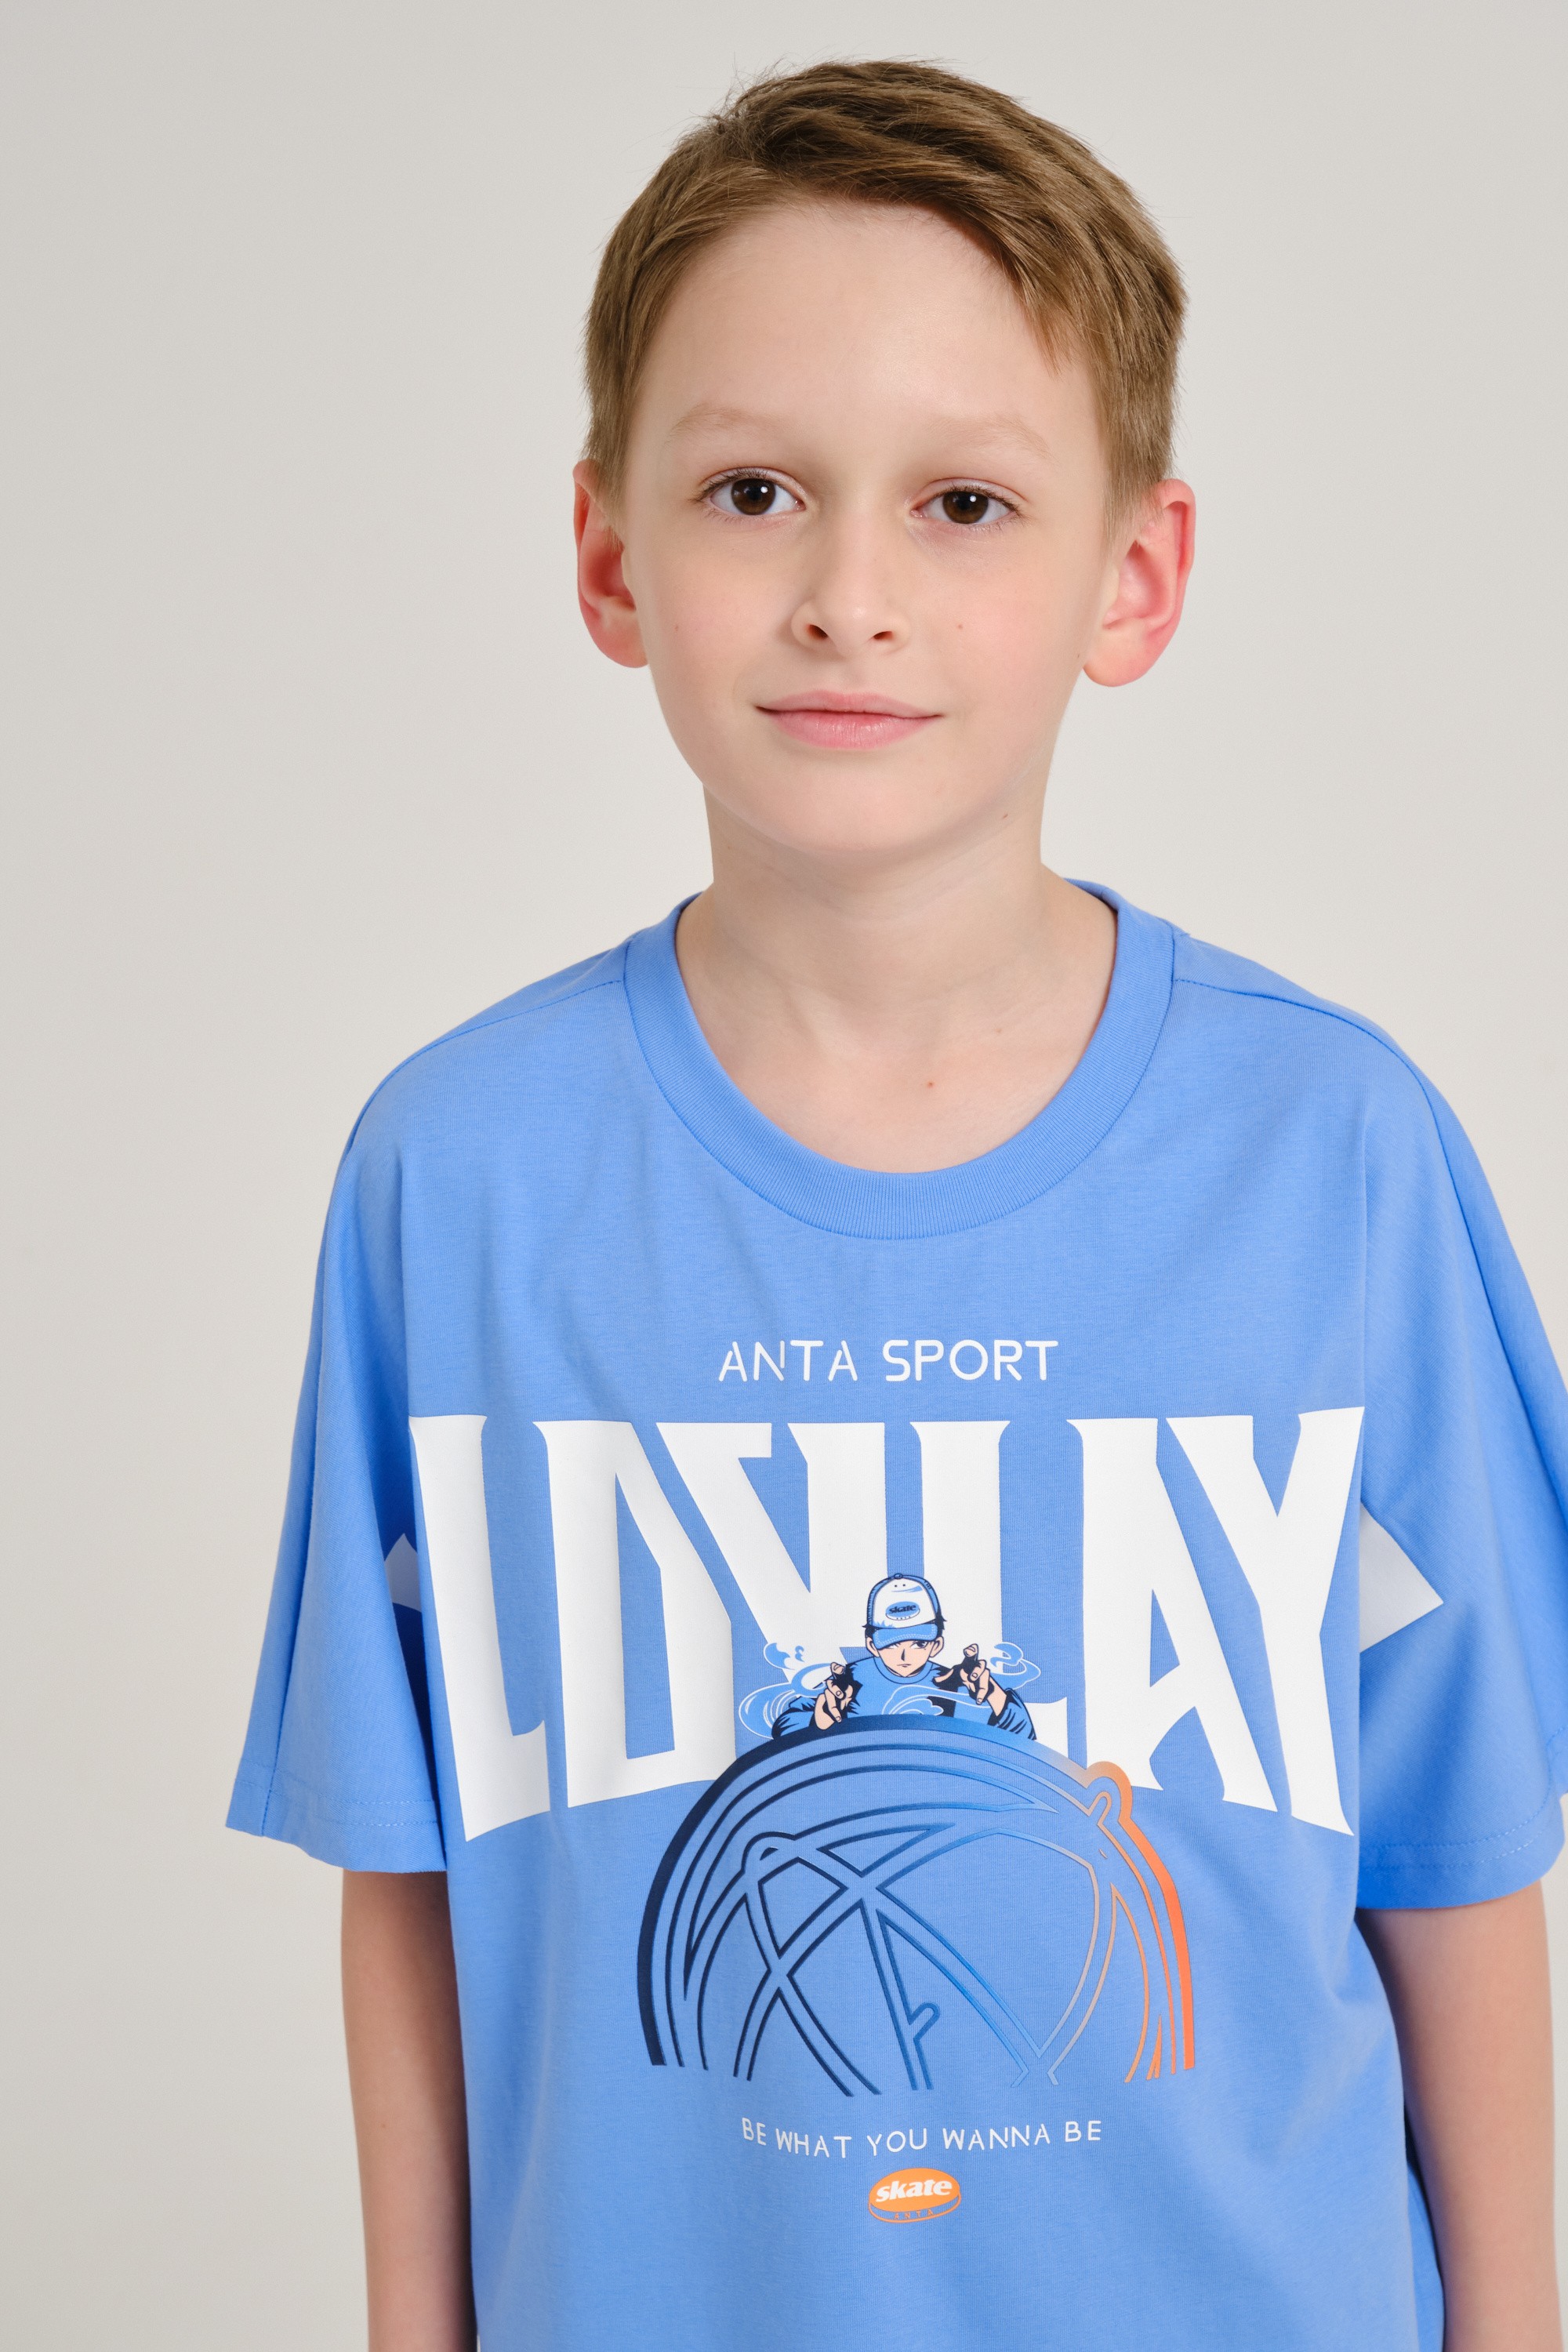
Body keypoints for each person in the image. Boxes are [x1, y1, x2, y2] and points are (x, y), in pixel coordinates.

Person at [227, 57, 1568, 2352]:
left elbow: (1457, 1857)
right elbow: (411, 1873)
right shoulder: (454, 1179)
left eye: (962, 502)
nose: (847, 595)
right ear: (607, 554)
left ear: (1131, 575)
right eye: (753, 490)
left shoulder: (1335, 1152)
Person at [771, 1573, 1037, 1737]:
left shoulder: (953, 1685)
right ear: (872, 1645)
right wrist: (818, 1723)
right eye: (892, 1644)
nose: (904, 1655)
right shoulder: (849, 1682)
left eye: (918, 1643)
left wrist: (993, 1694)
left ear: (936, 1645)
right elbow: (785, 1727)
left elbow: (1021, 1739)